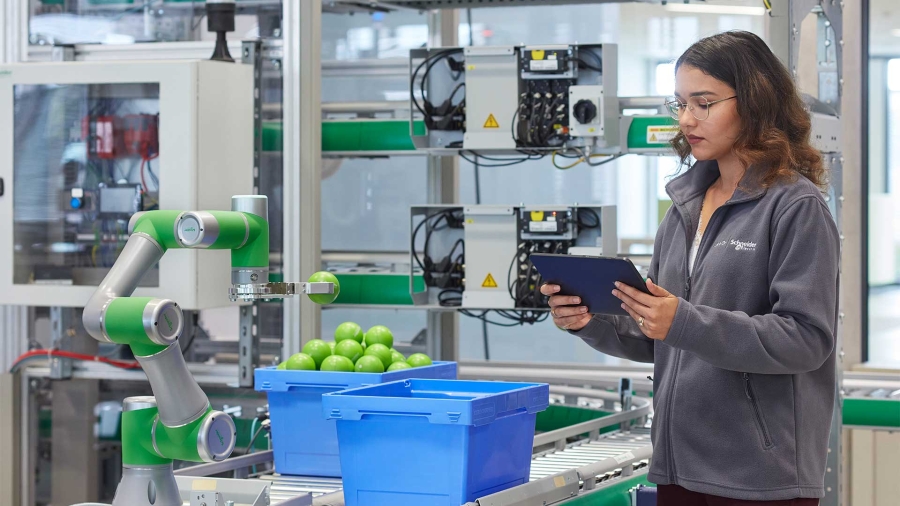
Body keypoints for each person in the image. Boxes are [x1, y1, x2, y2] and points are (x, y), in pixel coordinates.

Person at [542, 31, 839, 506]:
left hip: (760, 478)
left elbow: (806, 340)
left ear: (756, 101)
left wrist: (683, 320)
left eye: (703, 103)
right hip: (678, 467)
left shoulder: (795, 206)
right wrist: (590, 322)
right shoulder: (684, 206)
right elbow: (659, 335)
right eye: (680, 104)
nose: (686, 119)